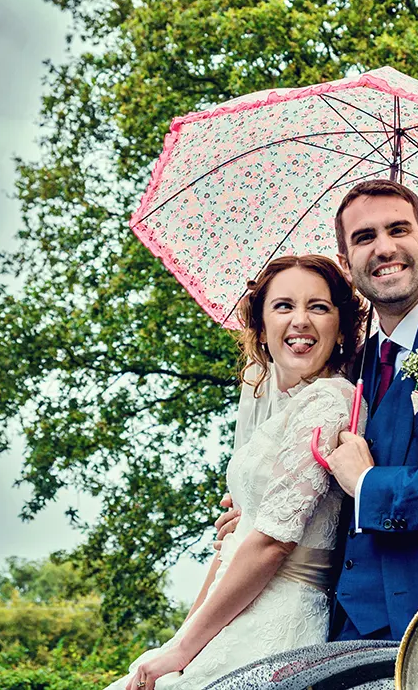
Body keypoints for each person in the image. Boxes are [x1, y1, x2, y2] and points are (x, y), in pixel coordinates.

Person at [217, 180, 418, 684]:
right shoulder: (350, 366)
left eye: (399, 230)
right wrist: (255, 512)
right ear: (347, 263)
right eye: (365, 236)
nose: (385, 247)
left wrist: (371, 486)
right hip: (349, 638)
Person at [106, 255, 367, 690]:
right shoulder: (277, 413)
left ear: (341, 328)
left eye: (318, 307)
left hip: (278, 619)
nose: (300, 320)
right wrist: (179, 642)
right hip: (229, 612)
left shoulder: (328, 401)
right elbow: (236, 541)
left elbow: (271, 544)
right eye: (283, 306)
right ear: (262, 329)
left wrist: (182, 649)